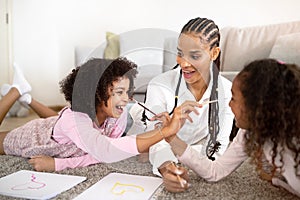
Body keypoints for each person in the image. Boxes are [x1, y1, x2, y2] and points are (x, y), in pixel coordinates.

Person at [0, 58, 200, 172]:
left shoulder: (118, 116)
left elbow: (106, 153)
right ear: (95, 93)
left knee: (56, 119)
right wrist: (58, 164)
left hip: (63, 130)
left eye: (127, 92)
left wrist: (155, 130)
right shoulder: (75, 119)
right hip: (38, 137)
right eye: (119, 93)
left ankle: (26, 98)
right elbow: (105, 150)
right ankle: (15, 92)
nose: (127, 99)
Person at [165, 59, 300, 197]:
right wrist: (171, 137)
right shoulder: (249, 132)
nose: (229, 105)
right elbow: (216, 171)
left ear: (256, 107)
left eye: (233, 98)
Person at [130, 17, 234, 177]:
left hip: (190, 144)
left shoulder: (227, 92)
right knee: (133, 128)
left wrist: (192, 157)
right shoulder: (160, 85)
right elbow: (155, 139)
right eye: (180, 54)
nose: (183, 63)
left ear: (214, 54)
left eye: (195, 56)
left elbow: (217, 148)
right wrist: (166, 167)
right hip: (146, 131)